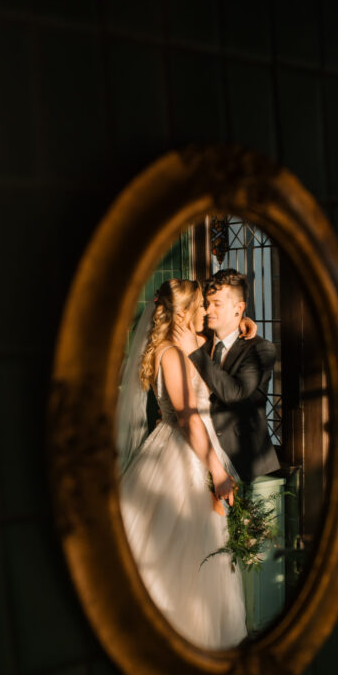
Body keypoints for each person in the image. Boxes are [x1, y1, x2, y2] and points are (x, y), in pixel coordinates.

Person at [118, 279, 247, 650]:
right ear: (184, 312)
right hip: (185, 455)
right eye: (201, 305)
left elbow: (213, 345)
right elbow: (190, 419)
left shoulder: (183, 345)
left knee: (200, 551)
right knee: (189, 553)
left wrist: (241, 324)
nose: (205, 311)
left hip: (191, 448)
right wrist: (218, 472)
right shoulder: (172, 354)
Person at [173, 269, 279, 483]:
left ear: (238, 309)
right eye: (207, 303)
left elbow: (235, 393)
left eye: (217, 304)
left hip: (248, 465)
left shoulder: (260, 349)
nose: (208, 310)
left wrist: (195, 352)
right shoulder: (201, 342)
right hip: (204, 462)